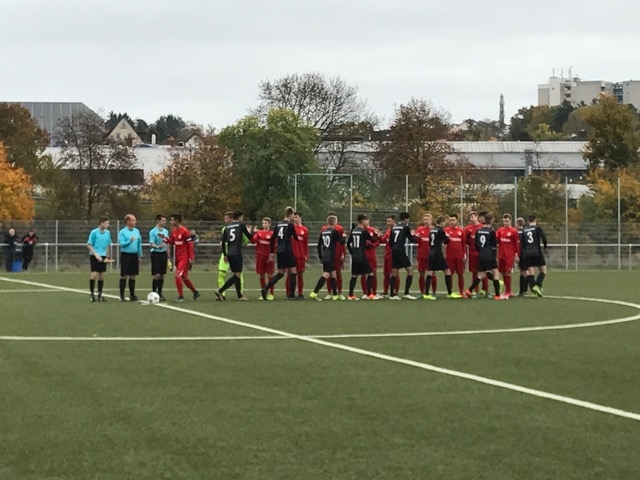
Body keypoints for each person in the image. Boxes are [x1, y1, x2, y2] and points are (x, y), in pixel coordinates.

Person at [159, 214, 200, 302]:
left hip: (184, 257)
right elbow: (172, 242)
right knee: (184, 277)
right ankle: (195, 292)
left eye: (172, 220)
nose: (170, 222)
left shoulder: (184, 231)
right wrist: (164, 239)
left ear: (177, 221)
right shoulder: (174, 231)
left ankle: (181, 296)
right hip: (177, 257)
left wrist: (191, 257)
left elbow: (190, 244)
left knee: (177, 275)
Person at [261, 206, 299, 300]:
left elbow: (272, 239)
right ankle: (292, 295)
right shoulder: (290, 225)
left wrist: (271, 252)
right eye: (293, 215)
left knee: (281, 273)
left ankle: (266, 288)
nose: (293, 217)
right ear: (290, 214)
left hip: (279, 250)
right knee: (293, 271)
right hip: (287, 250)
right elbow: (296, 237)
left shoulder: (278, 225)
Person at [216, 210, 254, 301]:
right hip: (237, 253)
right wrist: (251, 232)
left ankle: (239, 295)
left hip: (229, 253)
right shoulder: (241, 225)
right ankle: (220, 291)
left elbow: (223, 242)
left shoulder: (227, 227)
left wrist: (225, 254)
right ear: (240, 217)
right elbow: (250, 237)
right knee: (237, 275)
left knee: (236, 274)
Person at [464, 214, 504, 300]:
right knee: (496, 273)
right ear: (491, 220)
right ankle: (497, 295)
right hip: (489, 255)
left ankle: (469, 290)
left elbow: (476, 244)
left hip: (481, 255)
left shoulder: (478, 231)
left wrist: (481, 251)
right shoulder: (491, 231)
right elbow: (494, 246)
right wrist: (494, 256)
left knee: (482, 274)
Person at [425, 215, 461, 299]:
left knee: (430, 272)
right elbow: (446, 241)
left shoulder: (432, 230)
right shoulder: (440, 231)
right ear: (441, 222)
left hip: (431, 252)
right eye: (444, 222)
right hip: (438, 253)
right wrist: (447, 236)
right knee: (447, 271)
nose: (445, 224)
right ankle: (450, 293)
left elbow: (430, 242)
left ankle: (426, 294)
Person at [309, 214, 345, 301]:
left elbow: (319, 245)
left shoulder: (323, 232)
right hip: (331, 255)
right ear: (334, 222)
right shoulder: (335, 232)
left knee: (333, 274)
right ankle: (314, 292)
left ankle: (335, 295)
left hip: (325, 255)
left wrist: (321, 256)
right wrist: (344, 236)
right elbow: (341, 242)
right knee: (326, 274)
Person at [347, 214, 379, 300]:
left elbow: (348, 244)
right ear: (363, 221)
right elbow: (373, 240)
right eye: (366, 220)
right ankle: (369, 294)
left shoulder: (353, 231)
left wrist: (352, 253)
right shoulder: (364, 231)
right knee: (371, 273)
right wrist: (377, 235)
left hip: (355, 256)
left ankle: (350, 295)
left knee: (354, 275)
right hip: (362, 255)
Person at [388, 212, 416, 300]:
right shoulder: (406, 227)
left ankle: (392, 294)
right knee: (410, 270)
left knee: (394, 272)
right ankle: (406, 293)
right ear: (406, 219)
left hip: (394, 251)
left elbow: (390, 242)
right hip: (400, 251)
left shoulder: (394, 227)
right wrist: (415, 235)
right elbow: (412, 239)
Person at [521, 215, 548, 297]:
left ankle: (534, 290)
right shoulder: (537, 228)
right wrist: (545, 247)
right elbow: (543, 238)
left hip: (527, 253)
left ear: (528, 221)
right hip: (536, 251)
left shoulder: (524, 230)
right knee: (543, 270)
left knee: (530, 272)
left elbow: (522, 243)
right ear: (535, 220)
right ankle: (538, 285)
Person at [118, 214, 143, 302]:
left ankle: (132, 295)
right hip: (126, 255)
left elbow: (139, 243)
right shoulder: (122, 232)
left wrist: (140, 254)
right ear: (128, 221)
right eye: (133, 220)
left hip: (134, 255)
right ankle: (122, 296)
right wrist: (129, 241)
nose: (135, 222)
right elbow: (121, 244)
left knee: (133, 275)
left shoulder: (136, 231)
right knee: (124, 275)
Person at [87, 217, 111, 302]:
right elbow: (89, 245)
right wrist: (96, 254)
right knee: (94, 274)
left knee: (101, 275)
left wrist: (107, 256)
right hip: (94, 256)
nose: (108, 225)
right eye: (106, 223)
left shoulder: (107, 233)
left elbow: (108, 245)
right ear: (101, 223)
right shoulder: (94, 232)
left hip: (103, 256)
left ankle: (100, 294)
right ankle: (92, 294)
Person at [465, 211, 489, 297]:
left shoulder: (482, 227)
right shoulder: (468, 229)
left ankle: (485, 290)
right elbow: (466, 241)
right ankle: (476, 291)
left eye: (473, 217)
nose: (471, 219)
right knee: (474, 272)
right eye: (470, 217)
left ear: (476, 217)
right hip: (472, 253)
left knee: (483, 272)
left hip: (482, 253)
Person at [496, 213, 520, 298]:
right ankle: (507, 290)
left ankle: (508, 291)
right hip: (501, 255)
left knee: (507, 272)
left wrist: (516, 254)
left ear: (510, 221)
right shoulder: (500, 230)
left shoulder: (514, 231)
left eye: (506, 221)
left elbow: (517, 244)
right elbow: (496, 240)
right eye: (504, 221)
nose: (505, 223)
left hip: (509, 256)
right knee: (502, 272)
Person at [322, 212, 345, 299]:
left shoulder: (340, 228)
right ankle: (330, 292)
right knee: (328, 273)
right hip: (328, 254)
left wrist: (342, 253)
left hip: (337, 254)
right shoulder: (324, 229)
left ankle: (339, 292)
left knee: (338, 273)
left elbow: (342, 243)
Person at [415, 214, 437, 298]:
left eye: (428, 219)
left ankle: (434, 292)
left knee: (432, 274)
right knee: (421, 273)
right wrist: (415, 237)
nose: (426, 221)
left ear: (431, 220)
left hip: (431, 256)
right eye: (424, 219)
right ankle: (422, 292)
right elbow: (416, 240)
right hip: (421, 255)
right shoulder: (419, 229)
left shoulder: (434, 230)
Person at [252, 217, 275, 300]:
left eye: (265, 223)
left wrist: (272, 255)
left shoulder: (272, 233)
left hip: (268, 257)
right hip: (260, 256)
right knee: (261, 274)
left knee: (270, 275)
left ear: (269, 224)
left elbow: (275, 245)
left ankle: (271, 293)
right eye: (263, 223)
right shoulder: (259, 233)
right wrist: (253, 233)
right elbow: (253, 241)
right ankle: (263, 293)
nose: (264, 225)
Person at [288, 211, 309, 299]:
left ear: (300, 218)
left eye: (296, 217)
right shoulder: (290, 228)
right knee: (290, 274)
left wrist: (306, 254)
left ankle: (300, 293)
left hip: (300, 255)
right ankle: (289, 292)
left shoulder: (304, 230)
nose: (295, 219)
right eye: (294, 217)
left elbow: (305, 244)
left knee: (300, 274)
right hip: (292, 255)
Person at [149, 214, 170, 301]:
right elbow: (151, 243)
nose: (165, 222)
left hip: (163, 254)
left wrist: (168, 255)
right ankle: (154, 292)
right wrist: (157, 246)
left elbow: (167, 243)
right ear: (158, 221)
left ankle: (160, 293)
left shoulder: (166, 231)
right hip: (156, 254)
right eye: (163, 220)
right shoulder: (153, 232)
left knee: (162, 275)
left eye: (165, 220)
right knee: (156, 275)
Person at [360, 216, 382, 299]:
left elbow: (378, 241)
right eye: (363, 220)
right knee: (363, 274)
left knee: (373, 273)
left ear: (368, 220)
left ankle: (374, 292)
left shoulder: (373, 230)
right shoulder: (361, 231)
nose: (365, 222)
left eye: (366, 220)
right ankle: (365, 292)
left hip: (372, 255)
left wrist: (372, 245)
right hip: (363, 254)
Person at [445, 213, 466, 296]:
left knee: (460, 274)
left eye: (453, 220)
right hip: (450, 256)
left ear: (457, 220)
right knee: (450, 274)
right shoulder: (446, 230)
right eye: (450, 220)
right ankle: (450, 292)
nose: (452, 222)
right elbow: (444, 242)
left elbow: (463, 244)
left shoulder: (461, 231)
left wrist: (464, 254)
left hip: (459, 256)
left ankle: (461, 291)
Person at [380, 215, 400, 297]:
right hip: (387, 255)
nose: (388, 223)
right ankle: (385, 291)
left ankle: (395, 290)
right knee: (386, 273)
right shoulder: (388, 231)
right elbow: (383, 240)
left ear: (394, 221)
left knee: (394, 273)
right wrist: (379, 235)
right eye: (387, 221)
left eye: (389, 221)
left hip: (394, 255)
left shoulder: (397, 230)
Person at [516, 217, 529, 296]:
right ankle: (523, 290)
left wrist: (517, 254)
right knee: (523, 271)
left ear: (517, 224)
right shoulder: (526, 231)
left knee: (524, 272)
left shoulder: (517, 233)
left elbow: (518, 245)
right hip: (527, 253)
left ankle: (524, 290)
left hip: (521, 254)